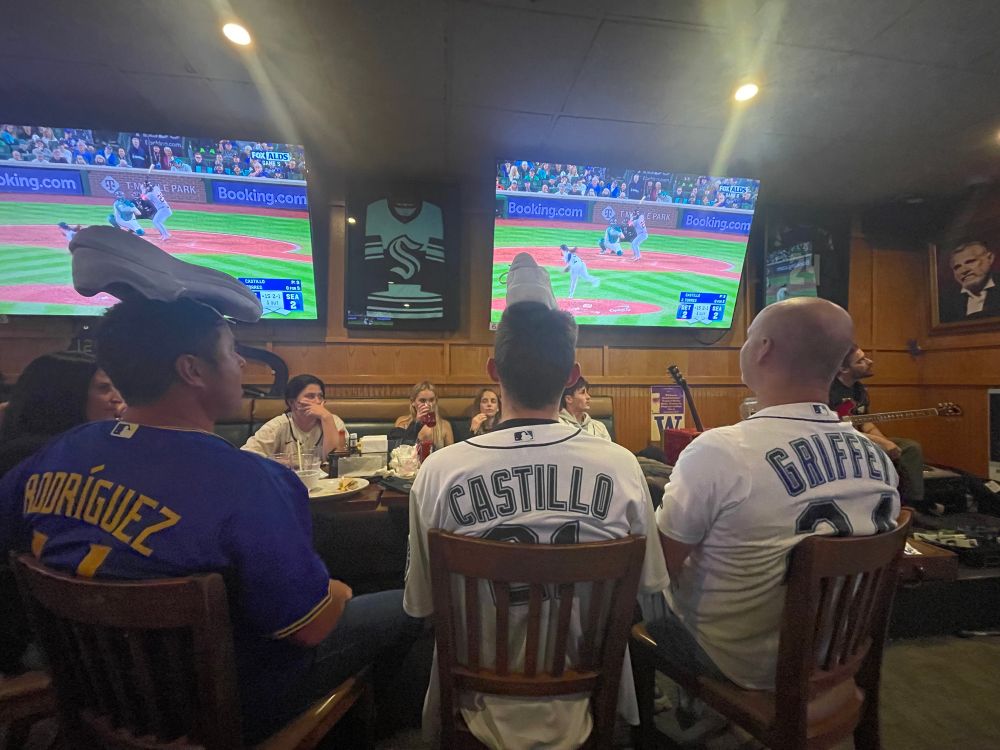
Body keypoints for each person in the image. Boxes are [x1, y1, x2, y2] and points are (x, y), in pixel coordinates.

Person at [0, 297, 420, 742]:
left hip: (95, 697)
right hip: (219, 707)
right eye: (230, 349)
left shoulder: (59, 451)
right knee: (414, 604)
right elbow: (310, 629)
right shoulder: (252, 479)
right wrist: (339, 591)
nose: (240, 361)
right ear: (192, 370)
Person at [403, 254, 668, 749]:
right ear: (572, 376)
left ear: (492, 370)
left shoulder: (438, 472)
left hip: (473, 707)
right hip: (591, 704)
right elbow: (649, 592)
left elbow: (421, 608)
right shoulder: (621, 466)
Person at [652, 298, 900, 701]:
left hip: (741, 665)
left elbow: (659, 566)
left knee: (631, 597)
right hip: (833, 654)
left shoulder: (720, 450)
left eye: (748, 338)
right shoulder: (876, 456)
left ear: (763, 348)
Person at [0, 352, 123, 479]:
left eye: (116, 388)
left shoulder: (83, 446)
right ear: (68, 394)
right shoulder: (27, 456)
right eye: (104, 388)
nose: (118, 399)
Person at [829, 345, 924, 506]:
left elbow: (865, 422)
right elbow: (835, 428)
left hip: (863, 438)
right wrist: (881, 444)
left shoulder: (859, 389)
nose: (870, 361)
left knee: (909, 448)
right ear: (844, 369)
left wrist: (887, 444)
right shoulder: (830, 391)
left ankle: (912, 504)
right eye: (861, 361)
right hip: (841, 441)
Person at [242, 374, 347, 458]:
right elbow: (246, 456)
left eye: (320, 396)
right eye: (310, 396)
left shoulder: (333, 421)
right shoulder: (278, 425)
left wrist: (326, 417)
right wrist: (279, 462)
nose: (318, 401)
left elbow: (336, 458)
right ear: (292, 402)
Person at [938, 241, 1000, 322]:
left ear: (990, 258)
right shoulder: (946, 303)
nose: (963, 270)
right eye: (957, 267)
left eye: (970, 262)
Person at [393, 381, 454, 450]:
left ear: (436, 401)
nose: (427, 404)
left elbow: (450, 454)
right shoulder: (403, 422)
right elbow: (398, 450)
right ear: (413, 402)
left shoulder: (444, 425)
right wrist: (416, 423)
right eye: (422, 400)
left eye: (431, 400)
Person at [558, 375, 611, 441]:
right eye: (582, 393)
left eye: (587, 392)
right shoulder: (558, 426)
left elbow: (609, 450)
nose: (588, 397)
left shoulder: (599, 427)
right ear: (569, 399)